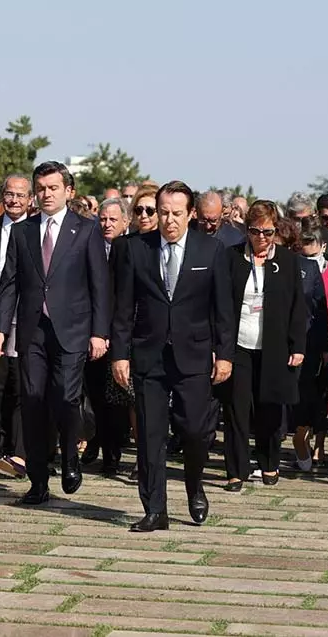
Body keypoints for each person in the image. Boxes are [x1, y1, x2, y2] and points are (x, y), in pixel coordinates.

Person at [111, 181, 235, 532]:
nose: (168, 220)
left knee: (195, 431)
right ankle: (155, 510)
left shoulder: (210, 251)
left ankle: (195, 485)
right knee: (150, 435)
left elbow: (223, 309)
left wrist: (224, 355)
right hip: (148, 354)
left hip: (194, 354)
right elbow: (122, 308)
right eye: (162, 212)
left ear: (191, 214)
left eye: (176, 214)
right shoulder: (136, 249)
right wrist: (120, 354)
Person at [0, 161, 110, 505]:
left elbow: (100, 285)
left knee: (65, 396)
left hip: (72, 330)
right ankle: (38, 482)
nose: (46, 194)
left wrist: (99, 332)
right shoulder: (22, 232)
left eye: (53, 188)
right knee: (31, 401)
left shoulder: (85, 230)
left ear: (68, 191)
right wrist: (1, 328)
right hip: (32, 331)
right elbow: (9, 283)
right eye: (40, 188)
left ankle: (71, 454)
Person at [222, 202, 305, 490]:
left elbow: (298, 307)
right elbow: (219, 304)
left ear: (275, 231)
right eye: (256, 231)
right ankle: (236, 469)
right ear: (247, 230)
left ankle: (269, 462)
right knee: (236, 408)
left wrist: (298, 346)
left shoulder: (288, 261)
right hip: (239, 344)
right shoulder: (231, 258)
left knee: (269, 408)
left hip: (274, 346)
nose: (261, 238)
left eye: (268, 232)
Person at [81, 197, 132, 474]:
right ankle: (94, 442)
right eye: (103, 219)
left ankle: (113, 453)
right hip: (91, 332)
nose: (107, 224)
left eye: (113, 219)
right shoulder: (90, 244)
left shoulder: (131, 249)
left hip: (121, 333)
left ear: (125, 222)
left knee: (116, 399)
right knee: (94, 393)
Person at [0, 174, 32, 476]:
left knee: (23, 385)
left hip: (27, 318)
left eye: (20, 195)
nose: (13, 200)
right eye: (9, 195)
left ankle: (22, 451)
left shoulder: (35, 230)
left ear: (30, 199)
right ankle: (2, 442)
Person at [293, 219, 328, 469]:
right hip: (298, 339)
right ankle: (300, 436)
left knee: (319, 394)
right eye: (303, 241)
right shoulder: (294, 266)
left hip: (322, 339)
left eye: (311, 241)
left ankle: (319, 444)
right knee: (300, 393)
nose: (306, 246)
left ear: (322, 244)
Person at [289, 192, 328, 265]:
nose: (301, 223)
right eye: (296, 219)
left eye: (305, 219)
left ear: (314, 215)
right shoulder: (284, 238)